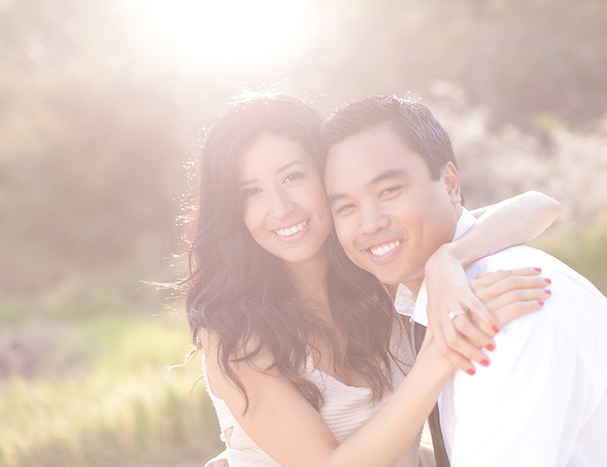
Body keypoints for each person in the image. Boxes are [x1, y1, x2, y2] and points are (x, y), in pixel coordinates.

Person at [187, 94, 560, 467]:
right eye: (251, 192)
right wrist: (441, 350)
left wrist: (448, 258)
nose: (281, 208)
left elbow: (539, 206)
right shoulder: (233, 334)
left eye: (293, 176)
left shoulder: (378, 272)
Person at [321, 95, 607, 466]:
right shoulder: (425, 295)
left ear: (451, 184)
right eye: (346, 207)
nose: (369, 223)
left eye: (389, 191)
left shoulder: (508, 308)